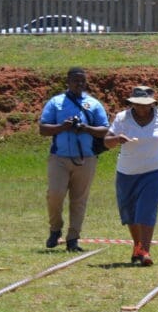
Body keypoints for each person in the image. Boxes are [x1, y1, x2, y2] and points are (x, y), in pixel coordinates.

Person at [104, 86, 158, 266]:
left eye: (146, 105)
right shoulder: (122, 118)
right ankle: (137, 246)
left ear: (153, 103)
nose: (142, 108)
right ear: (132, 103)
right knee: (130, 213)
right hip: (127, 172)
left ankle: (146, 251)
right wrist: (117, 139)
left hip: (155, 170)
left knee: (146, 207)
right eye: (138, 104)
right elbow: (106, 142)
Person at [38, 67, 109, 252]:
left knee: (79, 200)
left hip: (86, 158)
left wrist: (85, 128)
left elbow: (105, 130)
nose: (79, 83)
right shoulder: (56, 102)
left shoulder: (93, 104)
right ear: (68, 82)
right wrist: (63, 126)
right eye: (75, 80)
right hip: (59, 157)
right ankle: (55, 229)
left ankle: (73, 238)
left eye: (82, 81)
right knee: (55, 194)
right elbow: (43, 128)